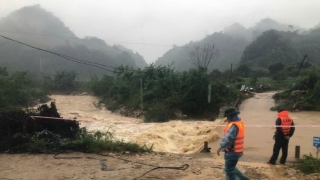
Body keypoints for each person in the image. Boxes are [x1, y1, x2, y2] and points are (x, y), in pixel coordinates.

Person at [217, 107, 249, 180]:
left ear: (230, 116)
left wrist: (221, 146)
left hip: (232, 151)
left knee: (229, 170)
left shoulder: (233, 125)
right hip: (238, 151)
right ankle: (243, 178)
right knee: (232, 167)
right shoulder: (239, 122)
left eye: (227, 117)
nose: (227, 119)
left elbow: (228, 138)